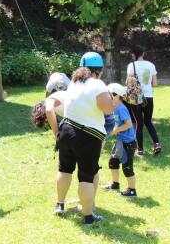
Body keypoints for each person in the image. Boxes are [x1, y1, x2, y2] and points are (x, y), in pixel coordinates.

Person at [53, 52, 114, 225]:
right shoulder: (98, 83)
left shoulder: (74, 82)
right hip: (88, 135)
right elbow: (107, 108)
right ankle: (88, 216)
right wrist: (116, 100)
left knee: (64, 169)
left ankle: (60, 204)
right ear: (99, 70)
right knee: (86, 176)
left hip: (66, 129)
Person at [102, 83, 138, 197]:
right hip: (120, 142)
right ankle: (115, 184)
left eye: (109, 95)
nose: (108, 97)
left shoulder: (121, 108)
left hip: (128, 143)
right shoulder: (115, 108)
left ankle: (132, 190)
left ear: (116, 95)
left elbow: (128, 124)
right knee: (113, 161)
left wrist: (116, 130)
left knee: (127, 166)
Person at [126, 46, 161, 156]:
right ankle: (156, 144)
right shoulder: (151, 65)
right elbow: (155, 84)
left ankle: (140, 149)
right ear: (143, 53)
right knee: (148, 121)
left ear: (134, 54)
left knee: (138, 123)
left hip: (136, 98)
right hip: (149, 97)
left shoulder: (131, 66)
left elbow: (129, 83)